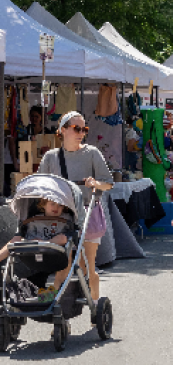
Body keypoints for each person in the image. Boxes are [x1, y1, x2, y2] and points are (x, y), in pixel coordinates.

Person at [39, 111, 114, 301]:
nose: (81, 133)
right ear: (63, 130)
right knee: (64, 265)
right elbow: (41, 186)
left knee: (88, 266)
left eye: (84, 129)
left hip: (87, 212)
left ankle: (95, 306)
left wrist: (95, 184)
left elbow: (108, 183)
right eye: (76, 128)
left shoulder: (91, 153)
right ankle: (54, 309)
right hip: (62, 216)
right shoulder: (51, 157)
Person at [0, 196, 73, 302]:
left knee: (66, 244)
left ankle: (55, 290)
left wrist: (46, 243)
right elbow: (27, 237)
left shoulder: (66, 219)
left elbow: (65, 238)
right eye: (52, 204)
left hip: (57, 253)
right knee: (19, 242)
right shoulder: (34, 220)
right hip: (35, 254)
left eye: (60, 205)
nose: (56, 207)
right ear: (43, 205)